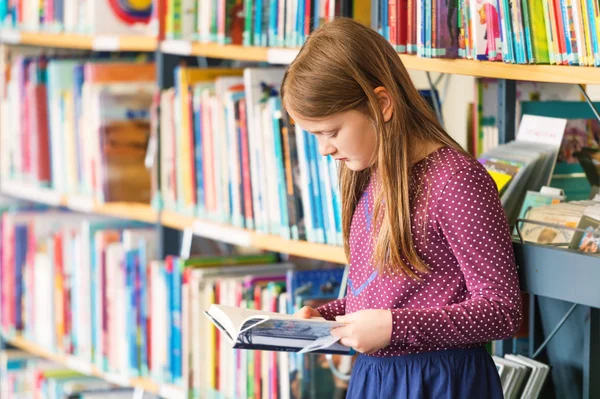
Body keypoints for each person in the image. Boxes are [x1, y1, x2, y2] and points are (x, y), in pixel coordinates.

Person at [282, 18, 522, 399]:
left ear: (381, 104)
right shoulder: (371, 177)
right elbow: (389, 296)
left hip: (441, 383)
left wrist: (394, 328)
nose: (324, 149)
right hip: (376, 379)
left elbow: (502, 310)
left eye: (331, 132)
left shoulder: (457, 182)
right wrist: (326, 318)